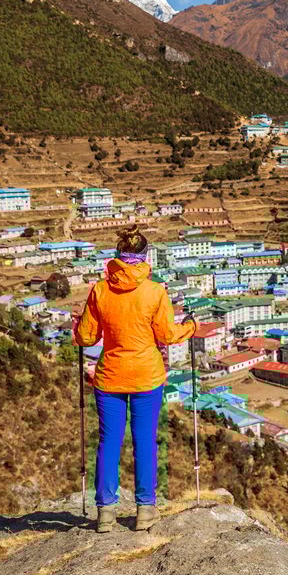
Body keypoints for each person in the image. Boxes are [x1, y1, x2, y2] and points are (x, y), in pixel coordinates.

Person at [74, 225, 195, 533]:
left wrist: (77, 326)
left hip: (110, 377)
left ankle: (105, 513)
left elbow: (87, 337)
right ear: (144, 257)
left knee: (109, 442)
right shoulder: (155, 292)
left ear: (117, 256)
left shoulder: (100, 290)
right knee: (144, 441)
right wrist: (190, 327)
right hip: (146, 377)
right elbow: (167, 335)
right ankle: (145, 510)